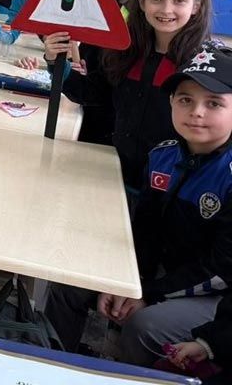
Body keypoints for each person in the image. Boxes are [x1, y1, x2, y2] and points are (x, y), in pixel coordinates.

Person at [47, 44, 232, 366]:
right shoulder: (162, 155)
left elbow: (221, 270)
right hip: (161, 274)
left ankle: (128, 373)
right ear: (171, 102)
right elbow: (144, 232)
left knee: (143, 327)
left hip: (216, 293)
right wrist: (123, 282)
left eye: (214, 103)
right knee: (68, 283)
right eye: (185, 100)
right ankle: (54, 362)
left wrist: (147, 293)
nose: (197, 112)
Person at [47, 0, 214, 192]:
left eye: (179, 0)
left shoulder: (206, 67)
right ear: (142, 2)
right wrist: (56, 62)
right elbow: (92, 94)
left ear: (196, 5)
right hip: (115, 175)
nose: (166, 9)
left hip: (171, 189)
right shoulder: (124, 52)